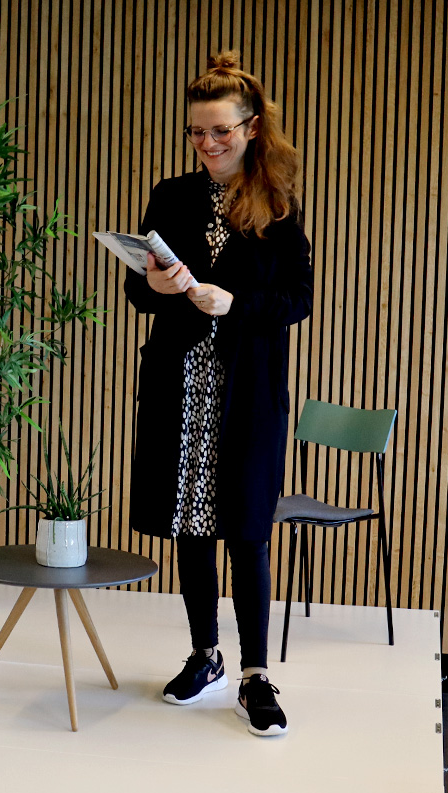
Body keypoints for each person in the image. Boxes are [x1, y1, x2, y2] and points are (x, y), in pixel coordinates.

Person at [124, 50, 313, 736]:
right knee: (191, 522)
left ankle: (256, 675)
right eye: (197, 132)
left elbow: (298, 299)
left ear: (252, 127)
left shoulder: (278, 202)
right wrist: (154, 283)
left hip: (248, 392)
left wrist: (234, 302)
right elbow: (139, 289)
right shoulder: (171, 195)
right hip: (181, 384)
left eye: (221, 131)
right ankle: (206, 656)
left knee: (248, 529)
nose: (207, 144)